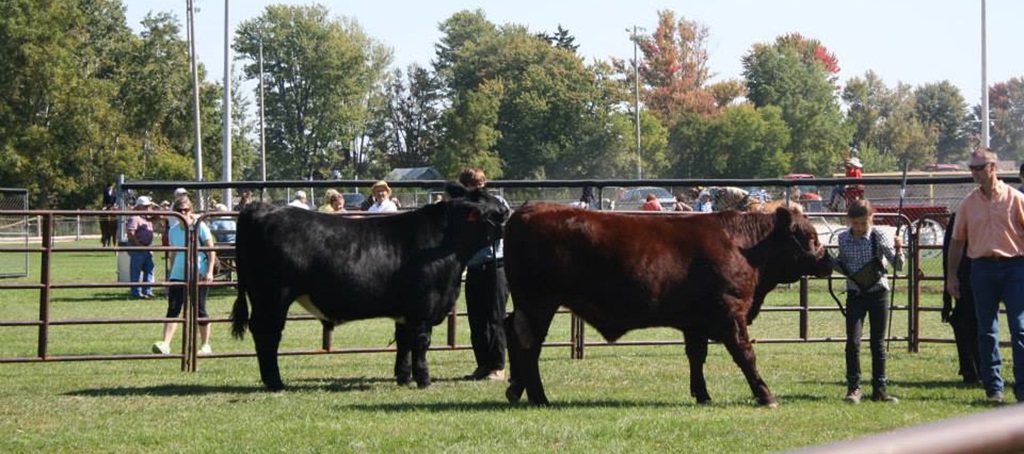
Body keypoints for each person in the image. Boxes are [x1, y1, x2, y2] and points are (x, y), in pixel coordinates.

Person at [947, 147, 1024, 404]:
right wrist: (951, 276)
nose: (974, 173)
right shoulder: (968, 204)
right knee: (986, 330)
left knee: (1020, 328)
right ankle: (994, 388)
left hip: (1015, 267)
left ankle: (1022, 388)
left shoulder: (1016, 198)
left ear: (993, 168)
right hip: (981, 268)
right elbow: (957, 242)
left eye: (978, 168)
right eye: (971, 168)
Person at [830, 198, 903, 404]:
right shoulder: (843, 238)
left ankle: (880, 389)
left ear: (871, 218)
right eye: (855, 224)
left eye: (864, 223)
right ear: (849, 221)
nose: (860, 228)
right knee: (852, 342)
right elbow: (842, 265)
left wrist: (899, 249)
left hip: (878, 293)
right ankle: (853, 389)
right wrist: (826, 260)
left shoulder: (879, 236)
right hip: (855, 295)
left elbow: (898, 266)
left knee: (877, 343)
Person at [460, 167, 509, 381]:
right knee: (476, 318)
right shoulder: (461, 206)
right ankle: (483, 364)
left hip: (495, 265)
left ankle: (498, 366)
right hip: (474, 266)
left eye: (479, 184)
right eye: (472, 185)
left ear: (484, 183)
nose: (477, 188)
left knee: (495, 316)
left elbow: (506, 222)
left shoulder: (497, 201)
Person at [152, 196, 216, 355]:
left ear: (191, 211)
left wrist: (209, 272)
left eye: (186, 210)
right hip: (178, 274)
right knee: (173, 308)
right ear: (175, 213)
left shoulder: (200, 227)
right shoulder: (173, 231)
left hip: (199, 273)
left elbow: (211, 250)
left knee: (200, 310)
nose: (183, 213)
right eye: (180, 211)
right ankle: (166, 344)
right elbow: (173, 254)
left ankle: (205, 345)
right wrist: (170, 274)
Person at [941, 212, 980, 384]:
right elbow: (952, 246)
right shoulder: (964, 213)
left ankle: (974, 368)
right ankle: (971, 368)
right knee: (967, 318)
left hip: (978, 268)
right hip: (967, 270)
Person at [126, 196, 156, 299]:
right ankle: (136, 292)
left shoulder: (146, 218)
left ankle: (147, 290)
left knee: (149, 268)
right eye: (146, 206)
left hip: (146, 247)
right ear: (139, 207)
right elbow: (130, 232)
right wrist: (138, 244)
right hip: (138, 248)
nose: (148, 208)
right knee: (136, 270)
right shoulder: (135, 218)